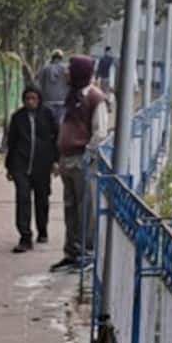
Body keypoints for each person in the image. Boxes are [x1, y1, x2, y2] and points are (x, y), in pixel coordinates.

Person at [51, 53, 111, 271]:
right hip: (67, 160)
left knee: (86, 209)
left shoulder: (95, 97)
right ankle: (72, 252)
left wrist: (88, 154)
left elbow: (100, 132)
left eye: (70, 68)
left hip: (82, 161)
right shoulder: (73, 95)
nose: (66, 71)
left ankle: (87, 253)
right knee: (70, 208)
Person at [4, 84, 58, 253]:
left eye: (34, 98)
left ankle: (42, 230)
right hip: (21, 164)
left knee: (42, 199)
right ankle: (25, 237)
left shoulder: (47, 114)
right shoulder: (18, 117)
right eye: (27, 98)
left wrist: (56, 160)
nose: (30, 102)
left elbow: (56, 137)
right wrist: (10, 167)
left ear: (39, 99)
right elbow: (12, 142)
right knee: (23, 198)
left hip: (42, 165)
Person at [39, 49, 71, 115]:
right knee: (60, 121)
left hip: (47, 99)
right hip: (62, 99)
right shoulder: (66, 68)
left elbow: (40, 83)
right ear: (61, 57)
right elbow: (70, 82)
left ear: (52, 57)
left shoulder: (45, 68)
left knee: (48, 120)